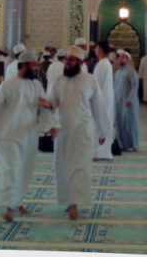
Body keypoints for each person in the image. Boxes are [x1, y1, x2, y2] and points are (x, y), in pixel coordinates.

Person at [0, 50, 55, 222]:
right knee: (11, 168)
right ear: (24, 65)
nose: (37, 68)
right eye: (34, 65)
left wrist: (51, 126)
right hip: (9, 135)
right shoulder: (7, 85)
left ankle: (18, 200)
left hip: (29, 135)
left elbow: (43, 110)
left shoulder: (37, 85)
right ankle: (9, 207)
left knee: (24, 169)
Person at [47, 45, 112, 220]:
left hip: (83, 131)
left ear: (80, 62)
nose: (67, 62)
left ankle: (74, 203)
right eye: (66, 59)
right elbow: (52, 104)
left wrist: (103, 133)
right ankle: (67, 201)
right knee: (62, 167)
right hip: (62, 132)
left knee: (80, 167)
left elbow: (99, 107)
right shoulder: (58, 81)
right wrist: (49, 122)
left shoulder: (90, 81)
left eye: (71, 59)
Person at [92, 42, 115, 160]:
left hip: (101, 99)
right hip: (105, 98)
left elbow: (95, 84)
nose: (95, 49)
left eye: (96, 47)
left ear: (101, 49)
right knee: (104, 122)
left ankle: (99, 152)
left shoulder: (102, 64)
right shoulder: (105, 63)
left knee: (100, 123)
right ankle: (102, 152)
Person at [114, 50, 139, 152]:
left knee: (130, 123)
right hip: (118, 101)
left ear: (128, 59)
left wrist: (130, 98)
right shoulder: (118, 72)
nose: (121, 58)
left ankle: (134, 144)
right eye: (120, 57)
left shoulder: (131, 71)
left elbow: (135, 85)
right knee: (119, 123)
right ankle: (122, 144)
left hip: (128, 102)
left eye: (123, 57)